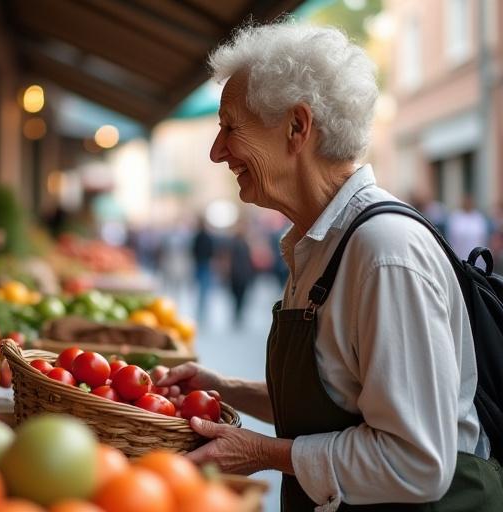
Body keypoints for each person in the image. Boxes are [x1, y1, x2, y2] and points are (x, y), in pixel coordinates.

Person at [158, 22, 503, 510]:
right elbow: (343, 402)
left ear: (297, 126)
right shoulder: (319, 241)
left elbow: (417, 463)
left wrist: (261, 452)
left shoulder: (385, 253)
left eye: (231, 127)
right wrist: (223, 387)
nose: (217, 152)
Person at [191, 215, 215, 323]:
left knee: (202, 289)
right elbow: (212, 251)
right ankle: (203, 311)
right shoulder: (206, 236)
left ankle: (201, 310)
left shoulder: (198, 237)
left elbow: (193, 251)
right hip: (204, 264)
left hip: (201, 264)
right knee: (204, 289)